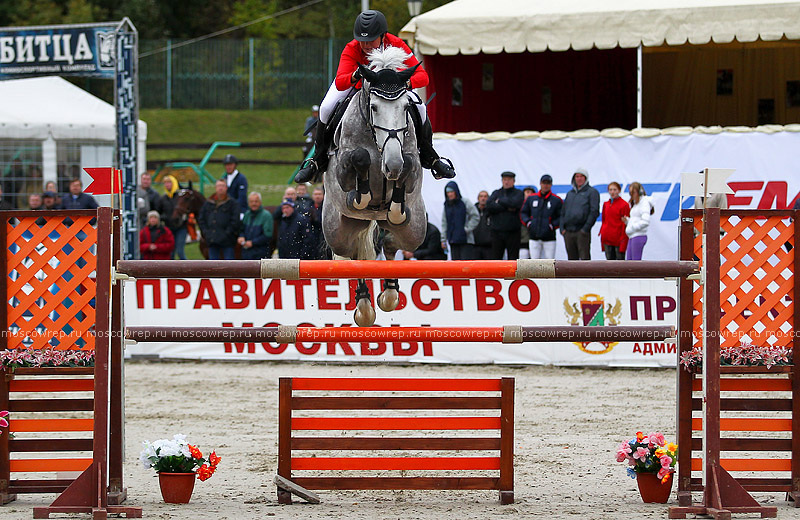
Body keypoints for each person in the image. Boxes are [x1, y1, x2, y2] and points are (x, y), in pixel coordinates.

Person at [295, 9, 455, 183]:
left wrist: (405, 84)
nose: (365, 45)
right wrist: (355, 75)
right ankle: (317, 160)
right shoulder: (352, 48)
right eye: (362, 40)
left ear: (383, 36)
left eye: (370, 40)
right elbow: (341, 82)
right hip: (356, 87)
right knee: (326, 108)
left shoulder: (396, 44)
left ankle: (430, 156)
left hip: (391, 90)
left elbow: (423, 77)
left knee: (420, 106)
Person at [561, 167, 600, 260]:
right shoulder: (570, 194)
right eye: (577, 176)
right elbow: (563, 212)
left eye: (581, 176)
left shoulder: (592, 192)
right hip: (568, 232)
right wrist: (562, 228)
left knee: (584, 260)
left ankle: (585, 275)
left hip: (581, 232)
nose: (579, 178)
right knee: (571, 261)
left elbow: (594, 212)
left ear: (585, 178)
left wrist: (585, 229)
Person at [520, 174, 562, 259]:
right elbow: (523, 213)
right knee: (534, 263)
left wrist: (552, 226)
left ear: (551, 185)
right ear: (540, 184)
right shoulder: (531, 198)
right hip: (534, 236)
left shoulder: (556, 200)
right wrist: (529, 223)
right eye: (544, 183)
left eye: (548, 183)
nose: (545, 185)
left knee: (550, 262)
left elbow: (562, 216)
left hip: (549, 238)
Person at [198, 180, 241, 260]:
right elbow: (201, 219)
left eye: (222, 186)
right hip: (212, 241)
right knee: (213, 267)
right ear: (215, 188)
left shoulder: (233, 204)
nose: (220, 188)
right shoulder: (208, 203)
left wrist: (227, 233)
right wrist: (206, 233)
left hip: (228, 242)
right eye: (218, 186)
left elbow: (235, 221)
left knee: (229, 266)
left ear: (226, 188)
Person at [486, 171, 524, 260]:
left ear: (513, 181)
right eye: (504, 180)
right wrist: (507, 207)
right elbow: (489, 206)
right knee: (496, 258)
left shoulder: (518, 193)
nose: (506, 182)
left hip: (513, 232)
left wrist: (499, 201)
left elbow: (515, 204)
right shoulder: (496, 193)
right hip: (497, 232)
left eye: (509, 180)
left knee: (513, 259)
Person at [440, 181, 479, 260]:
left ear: (456, 191)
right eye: (448, 192)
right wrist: (443, 239)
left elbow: (475, 216)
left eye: (451, 191)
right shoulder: (446, 205)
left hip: (466, 240)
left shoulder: (465, 202)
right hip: (453, 240)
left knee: (466, 266)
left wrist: (466, 229)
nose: (450, 194)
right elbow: (444, 223)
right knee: (455, 266)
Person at [156, 175, 189, 260]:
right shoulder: (163, 198)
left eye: (169, 182)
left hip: (181, 227)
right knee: (171, 251)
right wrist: (165, 218)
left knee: (180, 251)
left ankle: (187, 270)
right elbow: (158, 212)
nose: (167, 185)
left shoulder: (180, 197)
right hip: (169, 228)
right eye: (165, 183)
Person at [599, 181, 630, 260]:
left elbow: (625, 223)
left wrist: (623, 240)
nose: (612, 192)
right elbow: (604, 220)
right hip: (607, 238)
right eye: (610, 190)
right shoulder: (606, 204)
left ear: (619, 191)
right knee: (609, 264)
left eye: (614, 190)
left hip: (618, 239)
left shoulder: (624, 205)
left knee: (620, 264)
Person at [238, 192, 273, 260]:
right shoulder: (247, 214)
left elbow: (268, 235)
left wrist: (253, 243)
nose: (254, 204)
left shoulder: (266, 215)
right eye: (251, 201)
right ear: (248, 203)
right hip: (246, 252)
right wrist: (241, 236)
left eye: (256, 201)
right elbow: (241, 229)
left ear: (260, 202)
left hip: (261, 253)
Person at [623, 182, 654, 261]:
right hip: (632, 236)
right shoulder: (637, 204)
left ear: (639, 192)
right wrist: (628, 222)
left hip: (638, 235)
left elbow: (645, 221)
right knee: (629, 262)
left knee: (635, 263)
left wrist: (632, 227)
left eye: (633, 192)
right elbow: (636, 219)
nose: (632, 195)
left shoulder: (644, 203)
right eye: (630, 193)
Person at [309, 186, 330, 259]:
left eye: (319, 194)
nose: (317, 196)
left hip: (324, 237)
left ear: (323, 195)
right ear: (312, 196)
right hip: (311, 239)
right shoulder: (308, 207)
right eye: (315, 194)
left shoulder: (327, 207)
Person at [472, 190, 493, 260]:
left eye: (485, 196)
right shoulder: (472, 211)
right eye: (481, 196)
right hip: (475, 246)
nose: (483, 198)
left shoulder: (492, 211)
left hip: (489, 246)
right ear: (478, 198)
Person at [518, 187, 535, 259]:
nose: (529, 194)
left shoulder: (538, 207)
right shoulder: (518, 206)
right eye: (527, 192)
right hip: (522, 241)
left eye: (531, 193)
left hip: (536, 239)